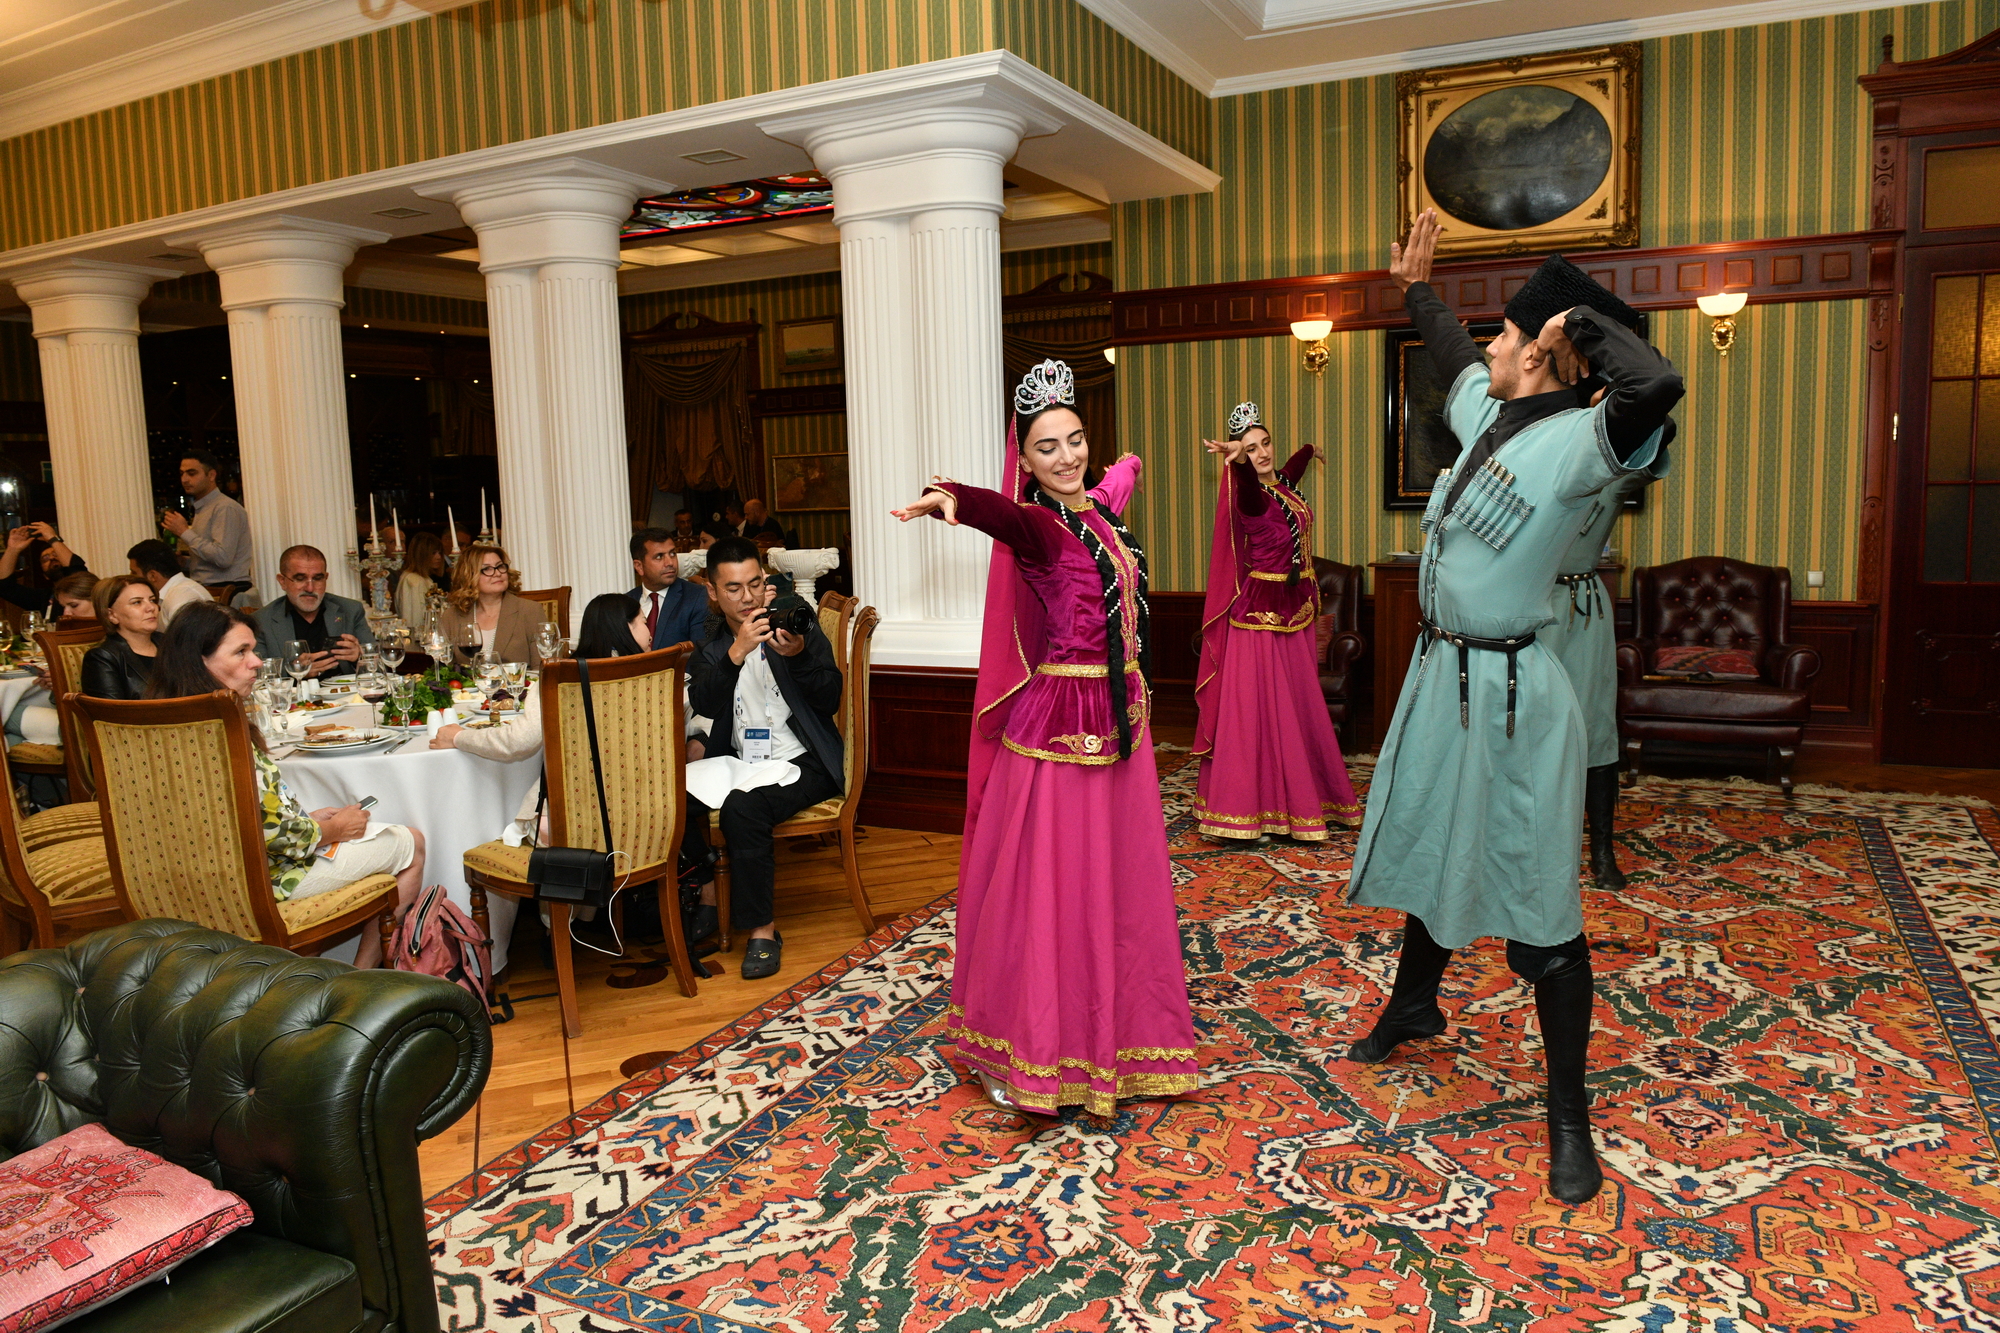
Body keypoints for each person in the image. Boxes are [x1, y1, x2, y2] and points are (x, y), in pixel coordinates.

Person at [1346, 213, 1683, 1205]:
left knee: (1540, 915)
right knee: (1432, 849)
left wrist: (1579, 319)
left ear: (1538, 351)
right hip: (1439, 681)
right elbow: (1450, 351)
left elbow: (1653, 385)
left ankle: (1568, 1116)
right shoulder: (1482, 412)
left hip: (1515, 699)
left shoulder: (1580, 444)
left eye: (1506, 333)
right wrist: (1415, 288)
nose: (1489, 344)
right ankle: (1414, 1005)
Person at [891, 359, 1199, 1116]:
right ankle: (1034, 1046)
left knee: (1117, 887)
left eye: (1075, 439)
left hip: (1122, 724)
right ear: (1024, 461)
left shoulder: (1100, 512)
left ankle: (1116, 1032)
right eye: (1047, 447)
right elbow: (998, 514)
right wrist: (951, 497)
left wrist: (1130, 463)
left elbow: (1115, 482)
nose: (1066, 457)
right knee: (1058, 894)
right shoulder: (1037, 526)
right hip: (1063, 730)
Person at [146, 602, 425, 968]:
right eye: (241, 652)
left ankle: (304, 969)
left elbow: (229, 818)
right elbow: (276, 837)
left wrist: (306, 819)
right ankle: (358, 977)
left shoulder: (156, 726)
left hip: (184, 881)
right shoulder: (222, 731)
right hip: (265, 882)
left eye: (253, 650)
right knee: (411, 843)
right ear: (200, 661)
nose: (257, 662)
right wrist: (333, 829)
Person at [1192, 401, 1360, 842]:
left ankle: (1300, 797)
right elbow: (1250, 483)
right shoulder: (1250, 495)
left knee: (1298, 707)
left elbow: (1291, 468)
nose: (1262, 453)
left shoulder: (1282, 484)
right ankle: (1251, 810)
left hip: (1296, 609)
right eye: (1252, 448)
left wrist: (1310, 450)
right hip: (1261, 617)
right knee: (1263, 713)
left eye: (1265, 443)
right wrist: (1240, 463)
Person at [683, 538, 842, 981]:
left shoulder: (794, 618)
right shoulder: (714, 642)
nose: (748, 597)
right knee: (668, 797)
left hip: (804, 760)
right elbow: (706, 702)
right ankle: (709, 891)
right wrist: (736, 652)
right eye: (733, 588)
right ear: (713, 592)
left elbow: (830, 697)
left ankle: (762, 931)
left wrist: (798, 656)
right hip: (742, 760)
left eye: (755, 583)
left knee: (743, 808)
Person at [1545, 447, 1669, 892]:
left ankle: (1602, 852)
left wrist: (1641, 418)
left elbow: (1647, 461)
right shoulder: (1526, 476)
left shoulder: (1609, 480)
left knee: (1595, 728)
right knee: (1525, 727)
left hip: (1583, 614)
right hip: (1528, 608)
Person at [250, 545, 375, 675]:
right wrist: (296, 672)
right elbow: (256, 673)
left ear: (326, 578)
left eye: (317, 578)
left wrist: (359, 657)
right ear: (282, 581)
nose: (310, 588)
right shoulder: (261, 621)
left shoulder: (350, 610)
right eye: (300, 579)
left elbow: (377, 663)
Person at [159, 450, 252, 602]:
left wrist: (183, 531)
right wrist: (185, 563)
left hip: (226, 591)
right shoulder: (203, 508)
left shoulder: (225, 507)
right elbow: (210, 564)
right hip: (210, 589)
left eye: (192, 473)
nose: (184, 479)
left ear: (211, 475)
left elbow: (223, 558)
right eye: (182, 474)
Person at [435, 543, 545, 668]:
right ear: (469, 575)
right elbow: (444, 669)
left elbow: (543, 668)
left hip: (519, 681)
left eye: (500, 566)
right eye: (487, 569)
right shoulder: (451, 616)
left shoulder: (530, 611)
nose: (497, 573)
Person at [81, 575, 161, 699]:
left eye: (152, 600)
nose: (151, 608)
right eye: (137, 602)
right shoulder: (102, 657)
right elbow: (111, 710)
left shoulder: (171, 642)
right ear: (112, 615)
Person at [628, 527, 708, 651]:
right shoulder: (626, 602)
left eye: (672, 554)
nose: (670, 562)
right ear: (639, 566)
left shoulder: (697, 597)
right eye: (659, 557)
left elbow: (702, 654)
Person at [0, 522, 86, 617]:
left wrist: (53, 539)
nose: (52, 558)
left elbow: (77, 569)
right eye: (45, 559)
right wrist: (13, 549)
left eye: (56, 554)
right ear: (45, 576)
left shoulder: (84, 589)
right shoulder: (43, 598)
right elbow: (4, 587)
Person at [127, 539, 207, 626]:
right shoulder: (171, 594)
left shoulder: (180, 600)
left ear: (152, 576)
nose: (131, 577)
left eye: (134, 573)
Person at [395, 531, 447, 629]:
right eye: (433, 553)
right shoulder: (413, 580)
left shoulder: (421, 579)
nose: (439, 557)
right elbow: (414, 619)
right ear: (421, 554)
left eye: (440, 553)